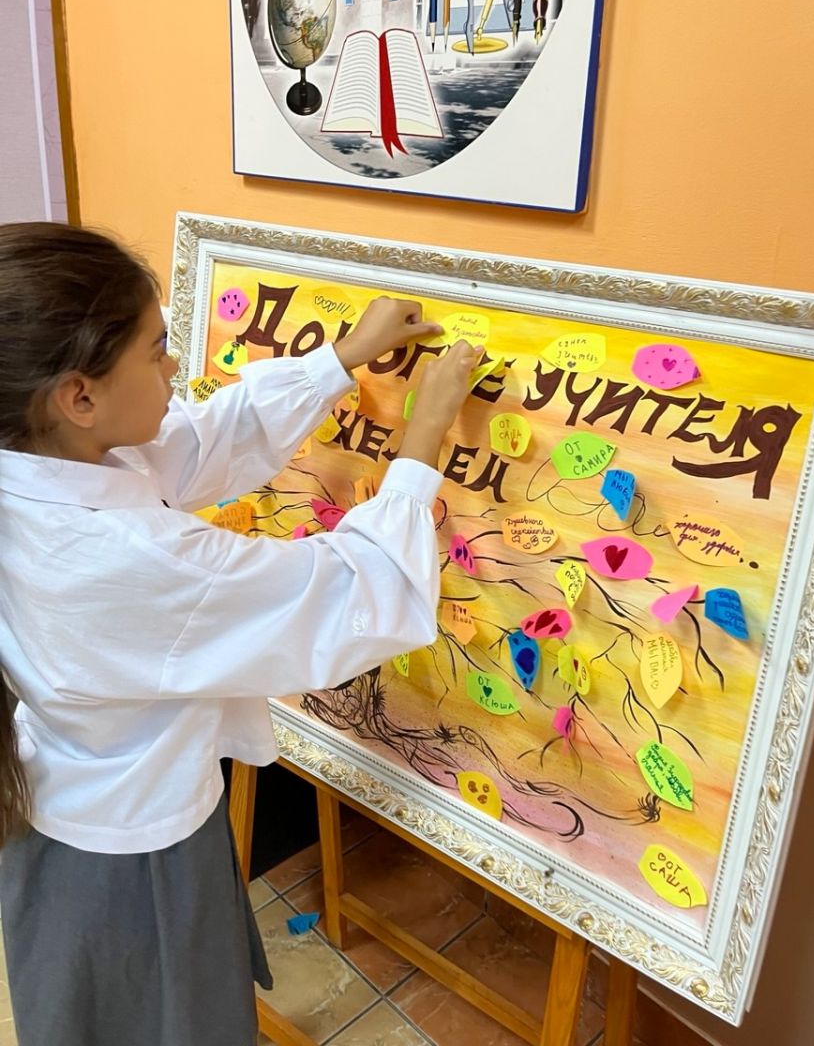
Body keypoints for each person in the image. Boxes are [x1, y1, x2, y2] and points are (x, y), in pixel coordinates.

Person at [0, 222, 478, 1046]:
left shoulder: (45, 464)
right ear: (78, 397)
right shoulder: (123, 558)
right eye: (156, 350)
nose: (174, 368)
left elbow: (194, 441)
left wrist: (341, 359)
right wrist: (421, 443)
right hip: (126, 858)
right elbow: (354, 593)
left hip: (69, 810)